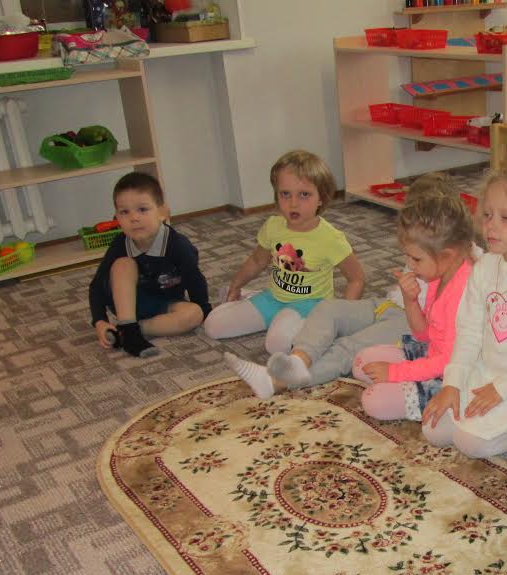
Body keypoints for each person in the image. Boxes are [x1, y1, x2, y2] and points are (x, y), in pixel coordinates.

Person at [222, 174, 475, 400]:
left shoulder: (468, 271)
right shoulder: (426, 250)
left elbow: (434, 335)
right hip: (388, 304)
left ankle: (276, 382)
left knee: (347, 346)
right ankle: (298, 360)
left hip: (407, 323)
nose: (409, 261)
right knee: (328, 309)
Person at [421, 163, 507, 457]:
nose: (491, 225)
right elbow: (469, 332)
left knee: (469, 442)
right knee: (433, 429)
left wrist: (501, 390)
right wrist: (453, 384)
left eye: (506, 218)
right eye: (487, 215)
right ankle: (494, 422)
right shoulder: (484, 267)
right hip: (484, 374)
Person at [202, 150, 366, 354]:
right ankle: (253, 299)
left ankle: (295, 325)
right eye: (285, 194)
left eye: (304, 194)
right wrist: (235, 285)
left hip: (309, 304)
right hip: (273, 297)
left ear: (321, 198)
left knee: (277, 344)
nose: (293, 203)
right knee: (213, 326)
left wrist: (339, 317)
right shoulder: (273, 226)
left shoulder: (331, 238)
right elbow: (257, 260)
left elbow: (357, 279)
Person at [354, 187, 474, 422]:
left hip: (454, 377)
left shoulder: (464, 292)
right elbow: (423, 335)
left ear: (447, 255)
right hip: (433, 355)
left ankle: (434, 402)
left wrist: (395, 373)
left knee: (373, 400)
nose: (409, 264)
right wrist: (410, 301)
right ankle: (406, 384)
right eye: (407, 256)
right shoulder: (440, 275)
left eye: (416, 258)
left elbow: (449, 362)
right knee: (361, 362)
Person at [88, 171, 210, 358]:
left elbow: (194, 278)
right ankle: (128, 326)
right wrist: (100, 321)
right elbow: (96, 286)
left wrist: (205, 310)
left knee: (194, 314)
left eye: (142, 209)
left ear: (162, 213)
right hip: (126, 304)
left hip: (165, 303)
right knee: (123, 264)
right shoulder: (120, 244)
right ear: (117, 218)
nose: (133, 218)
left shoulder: (178, 245)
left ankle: (129, 332)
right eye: (124, 212)